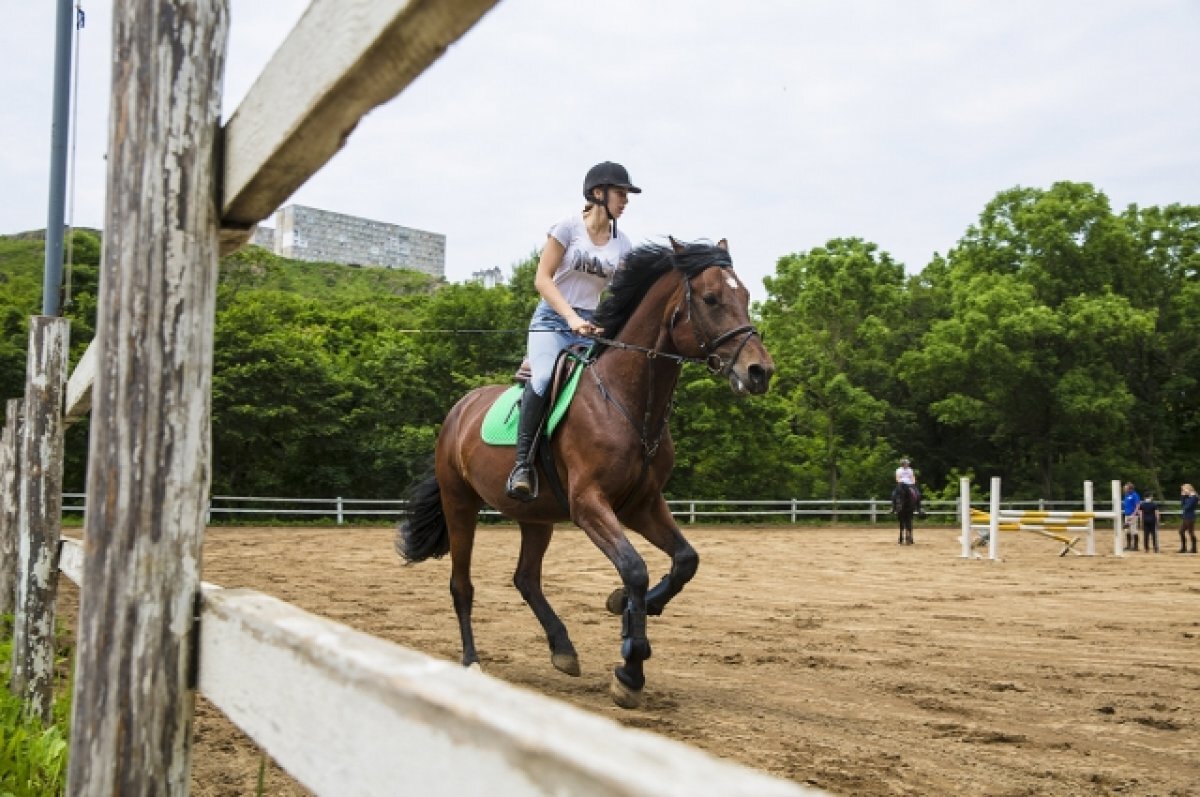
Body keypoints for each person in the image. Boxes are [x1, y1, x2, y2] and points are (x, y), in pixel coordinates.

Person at [506, 161, 641, 501]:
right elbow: (542, 279)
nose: (625, 201)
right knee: (542, 379)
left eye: (627, 196)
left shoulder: (622, 244)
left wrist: (608, 326)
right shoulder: (567, 228)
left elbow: (624, 295)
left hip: (591, 327)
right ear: (599, 193)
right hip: (551, 321)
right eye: (620, 194)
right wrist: (570, 318)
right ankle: (522, 466)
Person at [1122, 482, 1142, 552]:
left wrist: (1133, 514)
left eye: (1125, 488)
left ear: (1129, 488)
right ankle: (1128, 545)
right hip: (1127, 514)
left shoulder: (1135, 495)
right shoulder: (1126, 495)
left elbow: (1137, 505)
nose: (1124, 489)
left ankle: (1135, 546)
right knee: (1127, 530)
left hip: (1133, 515)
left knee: (1133, 530)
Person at [1179, 484, 1198, 554]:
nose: (1183, 491)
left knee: (1191, 533)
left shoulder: (1194, 497)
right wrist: (1183, 496)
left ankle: (1194, 548)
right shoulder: (1188, 497)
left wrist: (1185, 498)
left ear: (1188, 489)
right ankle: (1184, 548)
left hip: (1190, 517)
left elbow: (1187, 507)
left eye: (1184, 489)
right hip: (1185, 517)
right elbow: (1182, 505)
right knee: (1181, 531)